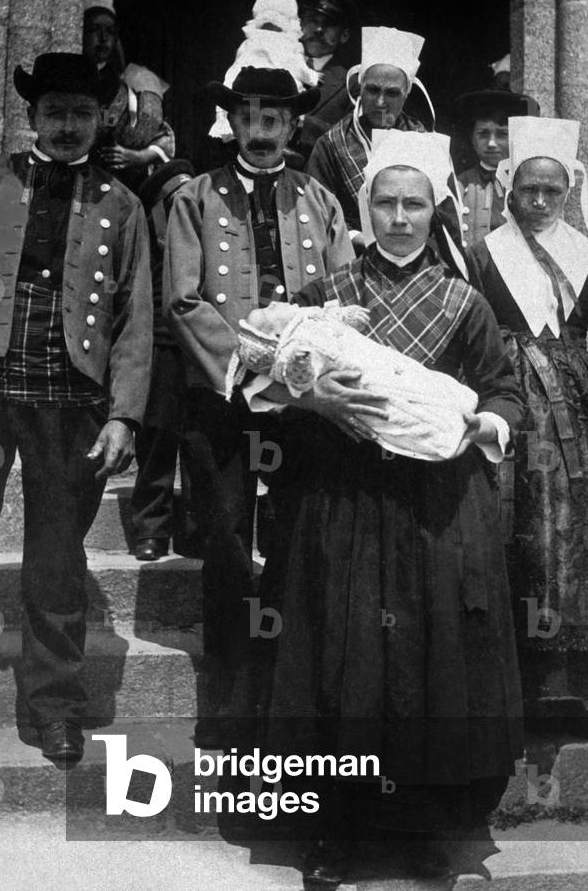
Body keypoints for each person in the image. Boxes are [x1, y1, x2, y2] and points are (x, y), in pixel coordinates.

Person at [246, 130, 523, 888]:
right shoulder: (327, 295)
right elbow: (264, 375)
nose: (399, 217)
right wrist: (307, 394)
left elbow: (503, 387)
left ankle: (425, 827)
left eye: (413, 203)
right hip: (343, 497)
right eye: (385, 203)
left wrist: (489, 421)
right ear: (365, 209)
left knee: (431, 662)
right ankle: (337, 831)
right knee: (341, 654)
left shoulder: (465, 301)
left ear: (435, 211)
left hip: (435, 506)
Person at [0, 53, 152, 764]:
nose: (68, 125)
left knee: (56, 559)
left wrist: (124, 413)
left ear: (102, 119)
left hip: (71, 400)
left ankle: (56, 706)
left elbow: (135, 318)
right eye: (54, 112)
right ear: (32, 117)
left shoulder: (121, 204)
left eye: (81, 113)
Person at [163, 67, 353, 744]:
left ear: (293, 124)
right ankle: (229, 698)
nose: (263, 128)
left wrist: (308, 361)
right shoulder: (194, 199)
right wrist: (250, 360)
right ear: (233, 123)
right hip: (222, 400)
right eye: (251, 116)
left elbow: (341, 295)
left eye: (276, 116)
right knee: (226, 545)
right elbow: (183, 298)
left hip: (301, 402)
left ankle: (287, 695)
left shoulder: (320, 200)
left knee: (299, 540)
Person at [466, 115, 588, 709]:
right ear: (508, 190)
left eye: (553, 191)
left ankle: (567, 677)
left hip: (578, 407)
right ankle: (512, 675)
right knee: (517, 522)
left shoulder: (583, 253)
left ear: (571, 192)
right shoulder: (485, 253)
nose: (539, 202)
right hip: (511, 397)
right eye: (528, 190)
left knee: (571, 527)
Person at [130, 159, 196, 562]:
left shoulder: (205, 242)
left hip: (200, 352)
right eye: (173, 201)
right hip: (159, 349)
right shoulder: (146, 247)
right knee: (155, 440)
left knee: (199, 444)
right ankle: (151, 528)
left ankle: (193, 526)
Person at [306, 26, 430, 239]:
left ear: (406, 94)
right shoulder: (331, 144)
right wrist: (355, 237)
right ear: (360, 87)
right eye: (372, 90)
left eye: (392, 93)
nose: (380, 102)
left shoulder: (423, 141)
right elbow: (318, 211)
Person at [82, 0, 175, 193]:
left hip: (119, 187)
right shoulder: (69, 80)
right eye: (94, 29)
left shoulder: (131, 85)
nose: (103, 38)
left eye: (110, 31)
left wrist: (134, 156)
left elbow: (164, 140)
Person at [209, 0, 320, 141]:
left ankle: (229, 122)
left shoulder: (249, 43)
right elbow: (298, 68)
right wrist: (312, 77)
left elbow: (233, 72)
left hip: (254, 90)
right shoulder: (287, 45)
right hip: (264, 89)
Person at [453, 89, 540, 246]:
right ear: (472, 138)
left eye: (501, 134)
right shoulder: (458, 185)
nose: (491, 143)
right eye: (483, 134)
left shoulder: (530, 186)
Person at [292, 0, 358, 161]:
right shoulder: (272, 59)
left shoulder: (351, 86)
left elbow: (350, 143)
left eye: (329, 24)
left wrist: (301, 123)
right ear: (300, 23)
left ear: (344, 35)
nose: (319, 29)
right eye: (313, 20)